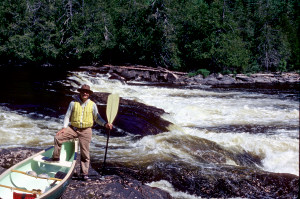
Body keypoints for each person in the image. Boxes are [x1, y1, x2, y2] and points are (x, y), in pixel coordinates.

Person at [48, 84, 113, 181]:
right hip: (73, 128)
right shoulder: (73, 103)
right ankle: (56, 158)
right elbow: (67, 116)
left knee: (85, 153)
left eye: (87, 92)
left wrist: (105, 124)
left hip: (86, 131)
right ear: (80, 92)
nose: (85, 93)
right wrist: (64, 128)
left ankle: (84, 173)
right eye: (83, 91)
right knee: (58, 138)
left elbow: (97, 118)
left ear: (89, 94)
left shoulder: (93, 105)